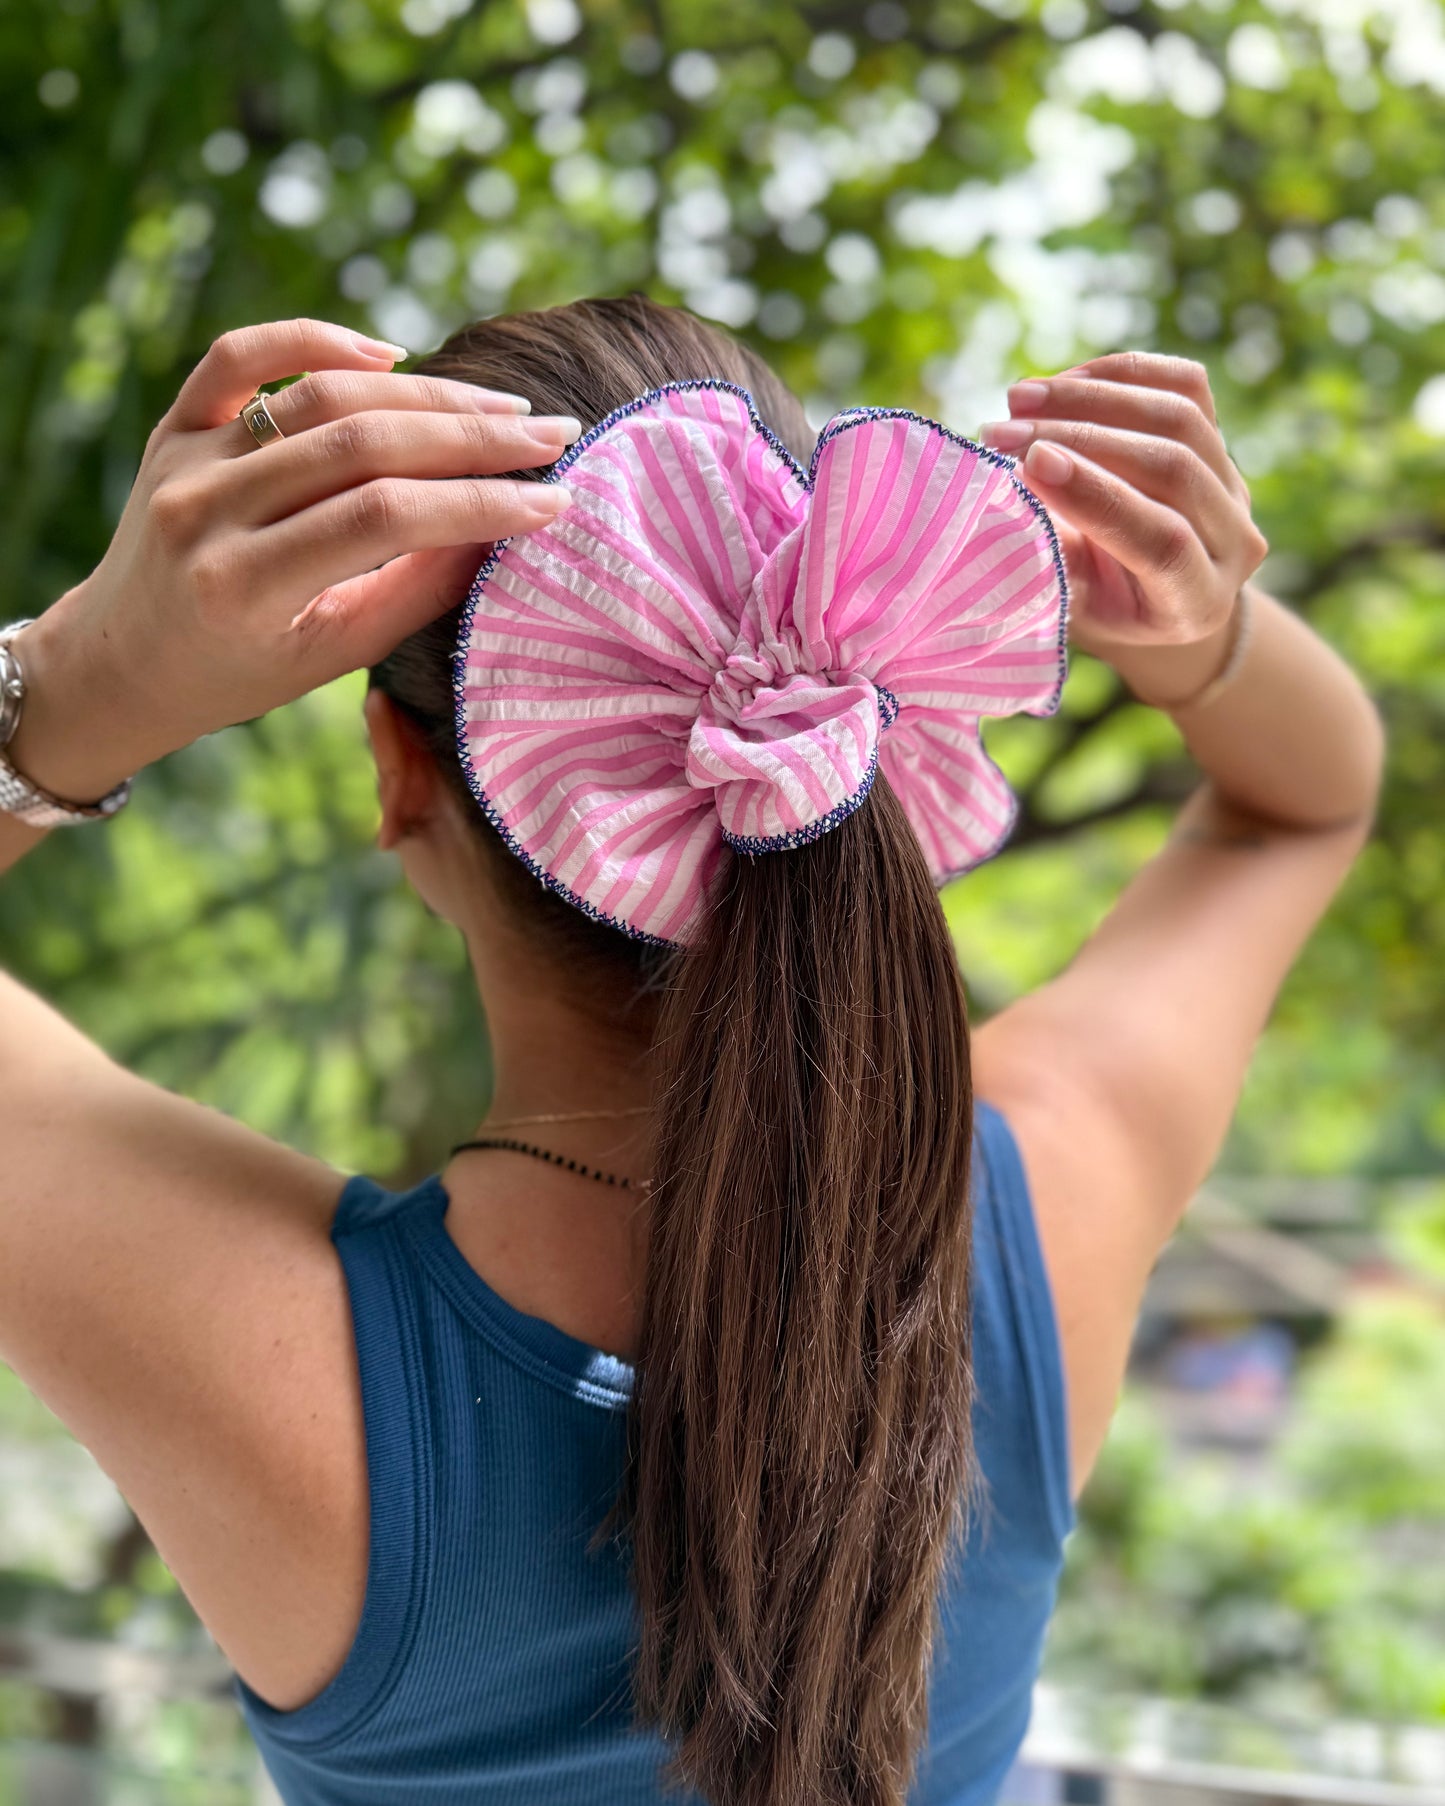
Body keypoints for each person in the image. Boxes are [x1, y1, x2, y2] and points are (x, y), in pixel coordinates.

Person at [0, 294, 1383, 1806]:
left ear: (400, 774)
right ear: (864, 693)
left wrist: (84, 685)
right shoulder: (1045, 1202)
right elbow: (1300, 803)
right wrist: (1211, 641)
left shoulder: (273, 1357)